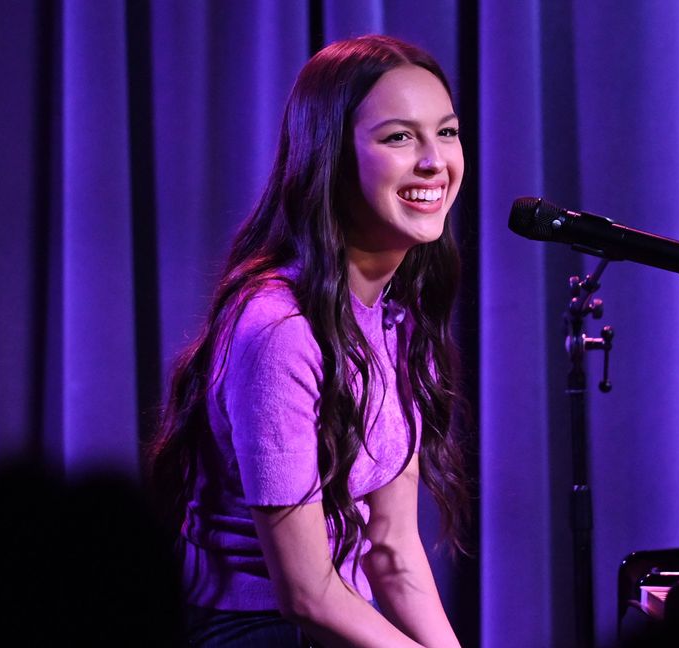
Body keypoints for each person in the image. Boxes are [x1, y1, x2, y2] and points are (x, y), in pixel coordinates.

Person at [147, 34, 469, 647]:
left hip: (342, 621)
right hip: (253, 631)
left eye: (447, 132)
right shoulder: (278, 329)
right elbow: (304, 592)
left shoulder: (398, 320)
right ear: (331, 156)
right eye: (399, 137)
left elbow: (392, 549)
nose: (434, 161)